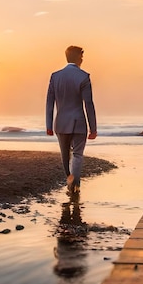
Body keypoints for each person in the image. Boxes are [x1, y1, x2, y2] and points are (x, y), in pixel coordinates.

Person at [46, 45, 97, 193]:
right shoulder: (83, 76)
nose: (82, 59)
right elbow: (88, 104)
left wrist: (49, 125)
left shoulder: (55, 76)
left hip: (61, 122)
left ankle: (70, 178)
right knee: (77, 154)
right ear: (78, 58)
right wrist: (93, 128)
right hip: (79, 123)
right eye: (81, 57)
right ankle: (75, 183)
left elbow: (50, 103)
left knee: (64, 155)